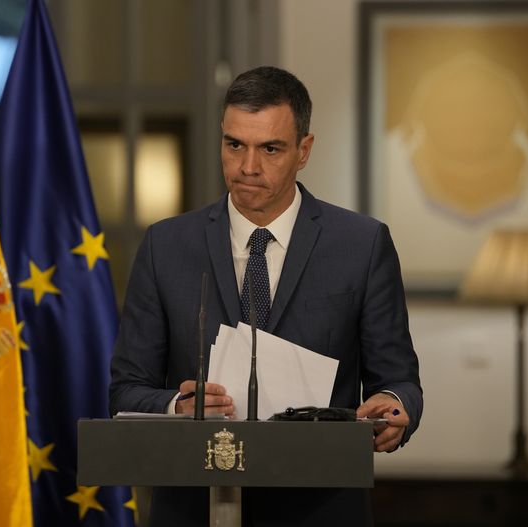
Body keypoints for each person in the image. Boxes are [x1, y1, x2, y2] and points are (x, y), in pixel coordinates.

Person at [109, 65, 422, 526]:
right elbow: (125, 390)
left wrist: (395, 409)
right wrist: (177, 406)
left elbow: (399, 380)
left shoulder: (362, 244)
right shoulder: (166, 246)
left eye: (269, 149)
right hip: (195, 506)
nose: (247, 167)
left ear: (304, 151)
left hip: (320, 507)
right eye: (234, 144)